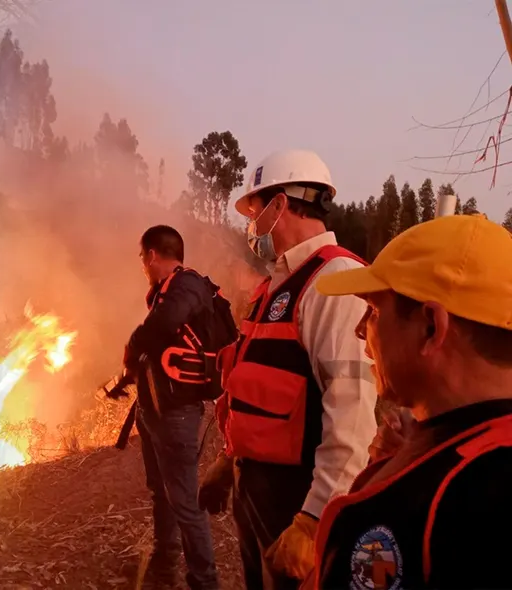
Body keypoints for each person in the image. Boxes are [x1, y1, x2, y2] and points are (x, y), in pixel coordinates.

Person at [197, 149, 378, 588]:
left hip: (298, 501)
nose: (251, 226)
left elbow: (351, 417)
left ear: (281, 206)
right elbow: (256, 385)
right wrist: (230, 459)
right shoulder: (274, 288)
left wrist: (314, 520)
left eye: (255, 212)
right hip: (257, 496)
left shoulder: (336, 281)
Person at [308, 213, 512, 589]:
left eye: (372, 311)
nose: (359, 331)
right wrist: (411, 462)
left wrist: (408, 491)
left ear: (431, 327)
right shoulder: (460, 462)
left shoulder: (472, 502)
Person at [112, 225, 236, 590]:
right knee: (162, 491)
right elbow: (164, 348)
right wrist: (127, 379)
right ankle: (165, 565)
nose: (142, 266)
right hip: (156, 412)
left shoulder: (186, 285)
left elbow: (163, 325)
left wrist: (132, 346)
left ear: (152, 256)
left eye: (142, 258)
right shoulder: (167, 293)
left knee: (184, 500)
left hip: (178, 415)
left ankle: (204, 581)